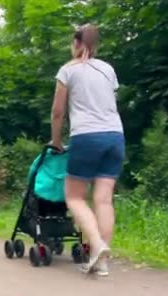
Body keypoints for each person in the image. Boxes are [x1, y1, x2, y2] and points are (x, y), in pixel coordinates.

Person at [50, 24, 125, 276]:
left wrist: (56, 141)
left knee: (74, 197)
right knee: (103, 199)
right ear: (95, 45)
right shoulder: (108, 70)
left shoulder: (67, 70)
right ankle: (100, 260)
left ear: (76, 43)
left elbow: (58, 112)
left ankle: (97, 244)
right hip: (115, 136)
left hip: (86, 136)